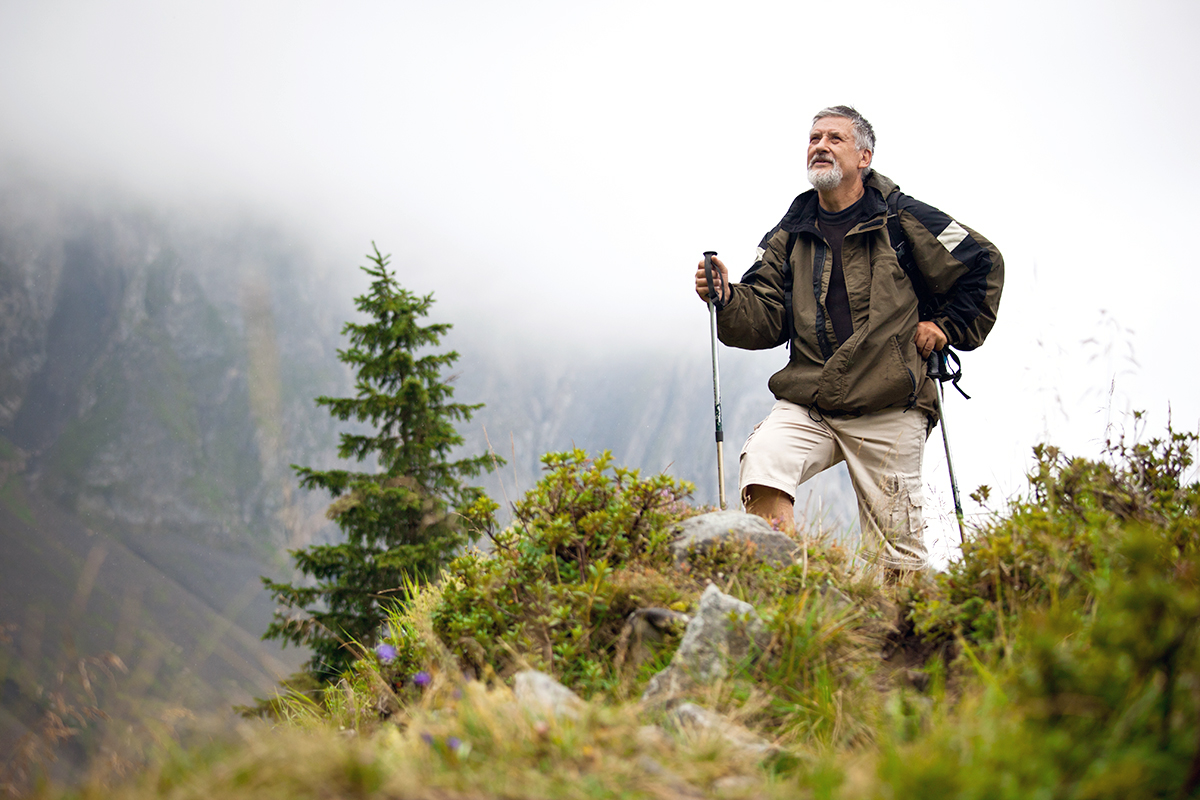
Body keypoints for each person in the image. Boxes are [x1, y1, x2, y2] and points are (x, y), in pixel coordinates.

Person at [694, 105, 1003, 575]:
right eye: (814, 137)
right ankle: (793, 586)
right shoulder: (791, 230)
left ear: (864, 156)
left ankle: (897, 637)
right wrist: (727, 296)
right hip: (811, 400)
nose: (819, 145)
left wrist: (946, 327)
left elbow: (983, 261)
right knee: (763, 462)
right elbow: (764, 316)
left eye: (834, 138)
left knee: (899, 564)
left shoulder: (904, 216)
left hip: (891, 405)